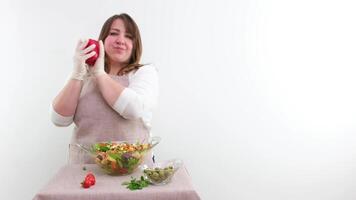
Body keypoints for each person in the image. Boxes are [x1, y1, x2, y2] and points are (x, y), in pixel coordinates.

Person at [50, 13, 159, 164]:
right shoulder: (83, 73)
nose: (121, 40)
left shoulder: (144, 72)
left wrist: (100, 74)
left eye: (128, 36)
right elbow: (59, 119)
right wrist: (77, 74)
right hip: (85, 172)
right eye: (114, 33)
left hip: (131, 170)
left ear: (135, 45)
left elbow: (134, 108)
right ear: (102, 40)